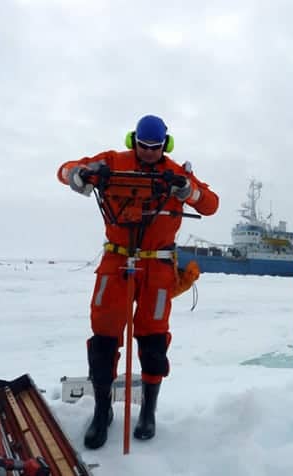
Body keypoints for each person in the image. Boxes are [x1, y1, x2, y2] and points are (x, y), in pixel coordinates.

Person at [57, 115, 219, 448]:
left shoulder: (176, 172)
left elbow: (211, 204)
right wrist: (80, 174)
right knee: (104, 337)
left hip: (157, 269)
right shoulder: (113, 162)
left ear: (165, 145)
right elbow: (64, 169)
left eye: (155, 148)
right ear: (134, 141)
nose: (148, 153)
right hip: (116, 262)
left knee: (153, 340)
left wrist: (189, 189)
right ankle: (103, 412)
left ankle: (148, 411)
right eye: (143, 147)